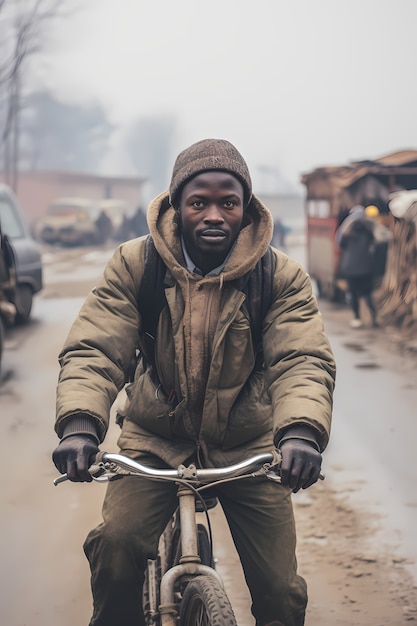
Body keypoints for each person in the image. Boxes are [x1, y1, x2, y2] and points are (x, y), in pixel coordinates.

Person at [52, 138, 336, 626]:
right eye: (198, 202)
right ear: (177, 205)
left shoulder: (279, 276)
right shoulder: (136, 264)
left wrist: (302, 432)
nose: (213, 215)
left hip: (247, 448)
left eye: (228, 203)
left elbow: (301, 357)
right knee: (116, 550)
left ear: (245, 208)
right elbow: (96, 348)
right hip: (153, 442)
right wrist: (80, 424)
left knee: (282, 594)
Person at [336, 204, 379, 328]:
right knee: (367, 293)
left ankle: (357, 318)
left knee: (353, 294)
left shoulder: (346, 232)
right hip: (366, 268)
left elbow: (340, 245)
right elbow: (377, 242)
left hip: (351, 269)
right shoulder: (368, 229)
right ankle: (374, 317)